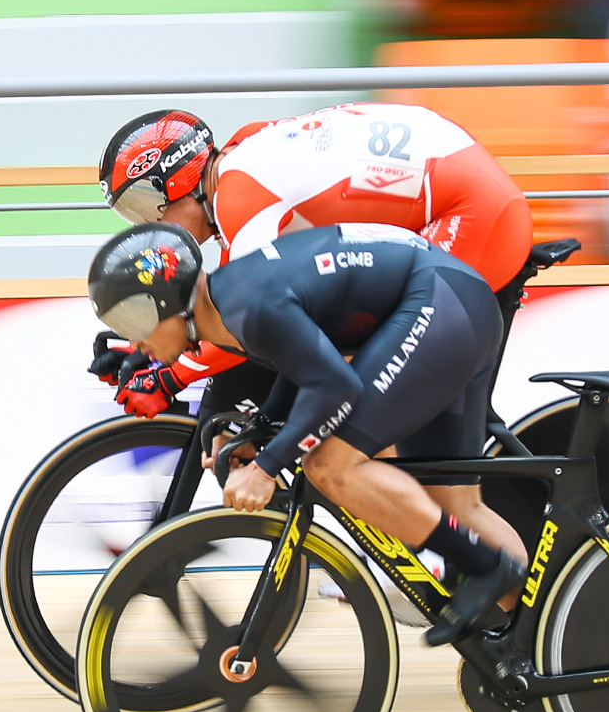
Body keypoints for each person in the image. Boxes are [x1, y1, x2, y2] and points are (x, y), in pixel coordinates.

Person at [85, 220, 529, 662]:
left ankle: (484, 565)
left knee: (329, 466)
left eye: (134, 319)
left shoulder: (246, 306)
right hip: (455, 300)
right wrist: (260, 431)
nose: (135, 342)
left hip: (442, 305)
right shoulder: (228, 298)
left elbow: (334, 387)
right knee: (458, 507)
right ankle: (545, 640)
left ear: (166, 303)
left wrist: (266, 467)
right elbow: (301, 369)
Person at [92, 103, 532, 419]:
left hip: (472, 213)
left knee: (369, 403)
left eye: (147, 206)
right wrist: (150, 344)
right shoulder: (238, 157)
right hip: (455, 178)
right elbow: (220, 304)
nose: (151, 226)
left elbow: (248, 323)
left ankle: (463, 520)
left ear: (179, 179)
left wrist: (172, 374)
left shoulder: (239, 197)